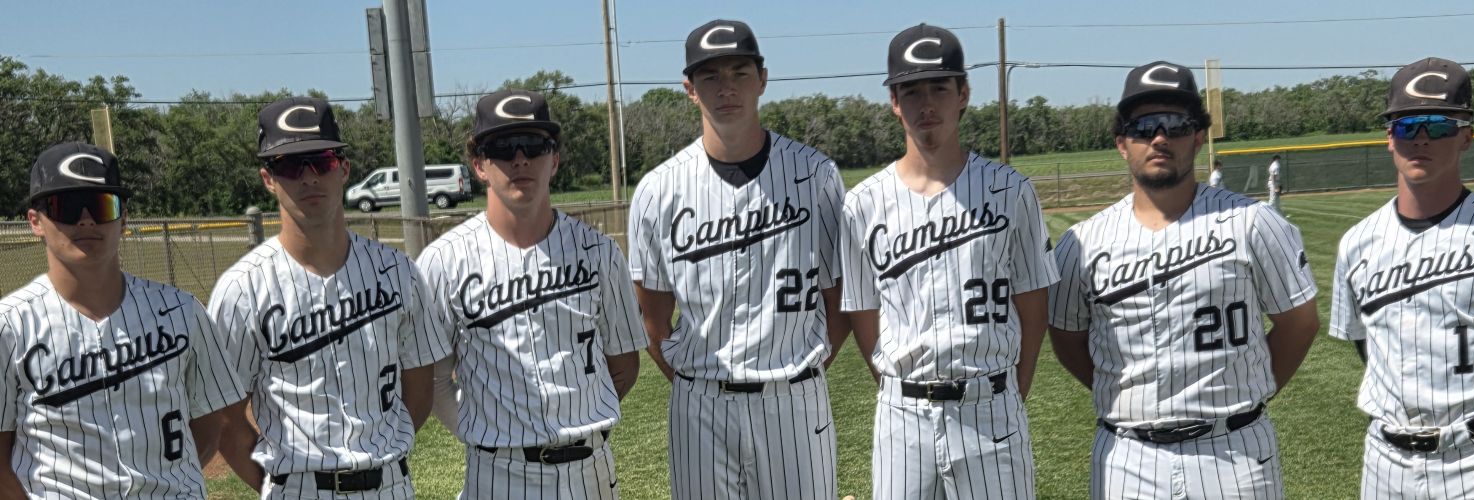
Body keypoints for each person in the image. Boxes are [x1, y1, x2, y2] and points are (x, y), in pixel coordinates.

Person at [1048, 61, 1321, 499]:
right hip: (1127, 456)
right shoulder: (1081, 243)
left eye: (1175, 125)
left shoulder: (1252, 222)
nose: (1160, 138)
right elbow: (1067, 338)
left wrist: (1245, 393)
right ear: (1122, 143)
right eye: (1144, 127)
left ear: (1198, 136)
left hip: (1235, 451)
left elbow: (1299, 323)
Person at [628, 19, 850, 499]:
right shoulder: (658, 190)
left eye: (739, 72)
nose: (726, 87)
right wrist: (697, 383)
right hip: (700, 405)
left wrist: (797, 372)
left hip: (795, 399)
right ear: (690, 88)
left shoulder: (816, 176)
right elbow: (652, 319)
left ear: (762, 79)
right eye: (710, 76)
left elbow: (840, 301)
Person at [839, 24, 1057, 499]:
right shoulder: (862, 204)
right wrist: (897, 388)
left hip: (990, 406)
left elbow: (1033, 306)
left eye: (939, 88)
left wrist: (1009, 391)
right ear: (894, 102)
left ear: (963, 94)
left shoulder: (1010, 191)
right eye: (911, 91)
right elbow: (863, 312)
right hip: (901, 416)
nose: (926, 104)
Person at [207, 96, 450, 498]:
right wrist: (282, 487)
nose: (308, 177)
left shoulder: (397, 271)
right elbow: (226, 421)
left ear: (344, 169)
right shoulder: (242, 290)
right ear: (268, 178)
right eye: (289, 165)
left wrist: (379, 452)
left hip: (389, 485)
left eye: (321, 161)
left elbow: (420, 389)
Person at [419, 89, 647, 499]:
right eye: (503, 147)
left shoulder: (599, 252)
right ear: (479, 165)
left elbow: (624, 365)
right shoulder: (443, 261)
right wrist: (489, 434)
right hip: (498, 474)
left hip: (590, 471)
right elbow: (434, 380)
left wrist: (576, 421)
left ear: (554, 159)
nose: (520, 159)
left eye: (534, 145)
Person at [0, 143, 245, 499]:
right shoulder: (10, 326)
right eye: (66, 207)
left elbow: (212, 424)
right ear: (35, 221)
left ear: (124, 218)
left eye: (102, 205)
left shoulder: (182, 311)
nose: (86, 220)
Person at [1328, 57, 1474, 499]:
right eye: (1406, 126)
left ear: (1466, 136)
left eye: (1438, 125)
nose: (1421, 137)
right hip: (1385, 462)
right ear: (1390, 138)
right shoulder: (1357, 243)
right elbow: (1365, 345)